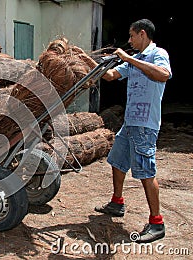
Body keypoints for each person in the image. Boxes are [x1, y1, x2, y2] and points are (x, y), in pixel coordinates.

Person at [95, 18, 172, 243]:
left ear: (142, 34)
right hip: (130, 123)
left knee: (146, 172)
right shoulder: (135, 60)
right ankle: (117, 202)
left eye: (131, 36)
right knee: (118, 163)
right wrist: (93, 64)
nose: (129, 40)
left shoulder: (158, 54)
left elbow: (163, 75)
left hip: (146, 124)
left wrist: (128, 58)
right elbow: (111, 76)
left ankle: (157, 223)